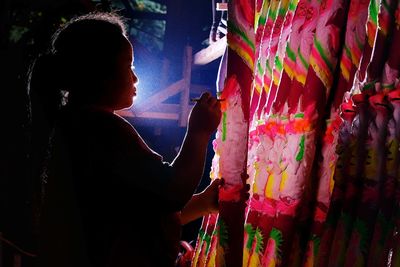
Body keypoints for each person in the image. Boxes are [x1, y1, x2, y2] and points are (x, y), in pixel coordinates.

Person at [28, 11, 224, 267]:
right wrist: (198, 132)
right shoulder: (99, 129)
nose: (135, 77)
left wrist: (203, 203)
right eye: (129, 66)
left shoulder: (74, 124)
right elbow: (171, 191)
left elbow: (137, 213)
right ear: (99, 75)